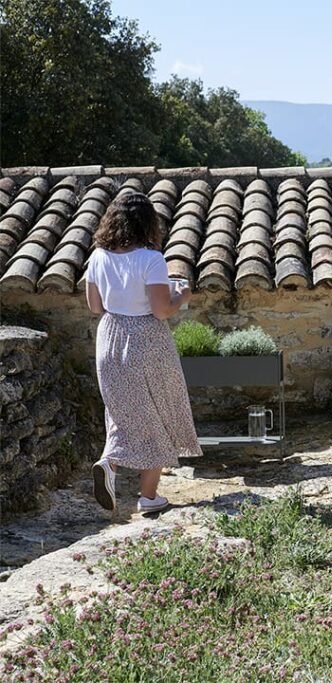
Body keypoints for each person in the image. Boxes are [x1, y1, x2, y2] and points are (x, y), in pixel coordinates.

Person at [85, 192, 202, 514]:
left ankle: (110, 463)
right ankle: (148, 497)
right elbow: (162, 311)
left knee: (122, 411)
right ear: (148, 223)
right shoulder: (151, 259)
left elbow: (95, 307)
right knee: (158, 411)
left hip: (109, 337)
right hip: (145, 339)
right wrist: (181, 295)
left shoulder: (98, 257)